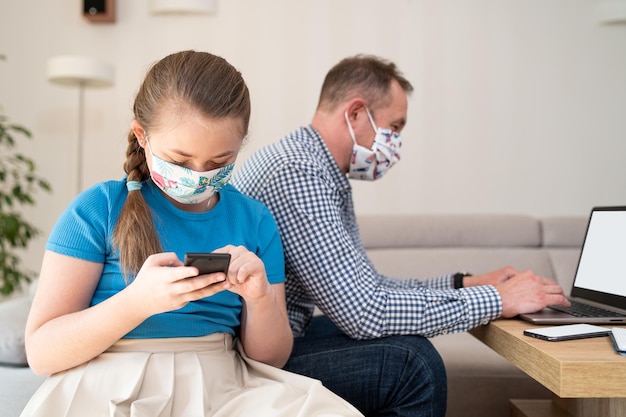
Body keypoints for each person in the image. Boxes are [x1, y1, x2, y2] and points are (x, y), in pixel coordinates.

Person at [21, 50, 363, 417]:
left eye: (219, 163)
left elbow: (272, 358)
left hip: (223, 386)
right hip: (109, 384)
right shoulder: (98, 209)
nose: (199, 175)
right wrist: (137, 303)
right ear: (142, 136)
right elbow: (42, 352)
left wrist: (260, 298)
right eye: (181, 161)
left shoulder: (255, 220)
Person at [231, 54, 571, 416]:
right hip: (254, 356)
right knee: (413, 364)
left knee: (406, 342)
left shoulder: (317, 168)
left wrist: (465, 284)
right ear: (356, 113)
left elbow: (369, 287)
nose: (395, 143)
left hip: (278, 339)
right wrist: (497, 300)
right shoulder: (297, 172)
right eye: (394, 127)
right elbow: (365, 311)